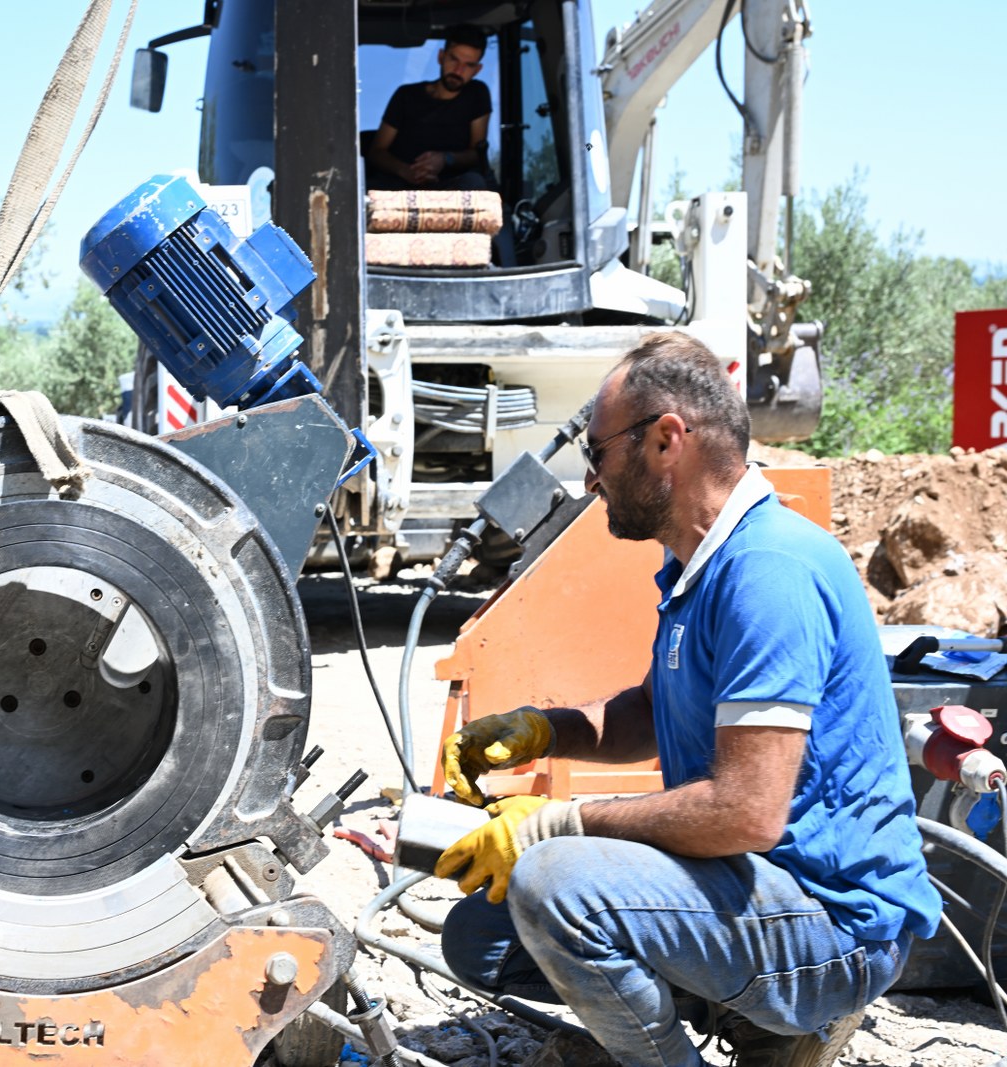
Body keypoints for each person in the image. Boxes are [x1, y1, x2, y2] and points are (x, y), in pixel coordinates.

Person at [434, 333, 941, 1067]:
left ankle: (758, 1024)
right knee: (481, 936)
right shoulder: (697, 569)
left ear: (667, 438)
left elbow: (747, 809)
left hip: (833, 925)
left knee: (551, 883)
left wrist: (552, 824)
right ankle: (764, 1026)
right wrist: (545, 730)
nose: (588, 482)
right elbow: (652, 710)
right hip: (760, 893)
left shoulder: (767, 571)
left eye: (598, 454)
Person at [366, 24, 493, 191]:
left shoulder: (477, 94)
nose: (458, 70)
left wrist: (445, 159)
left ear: (477, 70)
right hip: (399, 185)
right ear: (441, 57)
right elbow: (377, 151)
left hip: (451, 188)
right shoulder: (406, 95)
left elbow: (477, 153)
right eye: (453, 59)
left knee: (474, 184)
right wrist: (406, 171)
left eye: (468, 65)